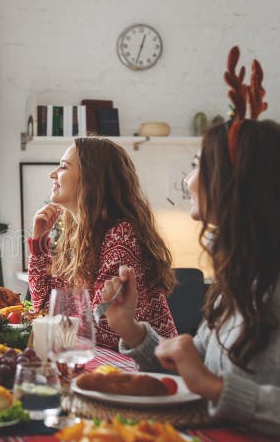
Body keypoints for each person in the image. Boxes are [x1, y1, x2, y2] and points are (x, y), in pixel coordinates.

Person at [102, 47, 280, 442]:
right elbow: (197, 374)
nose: (189, 181)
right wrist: (133, 331)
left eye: (198, 165)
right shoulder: (242, 271)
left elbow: (212, 385)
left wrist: (220, 389)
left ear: (236, 183)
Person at [28, 137, 178, 350]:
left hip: (150, 369)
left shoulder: (122, 235)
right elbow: (45, 307)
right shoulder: (80, 238)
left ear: (91, 178)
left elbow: (105, 329)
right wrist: (39, 243)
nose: (52, 174)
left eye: (63, 167)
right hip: (106, 364)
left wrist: (54, 322)